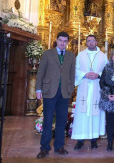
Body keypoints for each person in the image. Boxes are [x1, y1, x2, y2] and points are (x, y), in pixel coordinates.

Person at [35, 31, 76, 159]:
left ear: (67, 43)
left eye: (65, 41)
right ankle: (44, 148)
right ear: (57, 41)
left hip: (64, 93)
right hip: (49, 91)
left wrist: (70, 89)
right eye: (60, 40)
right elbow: (40, 72)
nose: (62, 43)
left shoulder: (71, 55)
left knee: (62, 121)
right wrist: (38, 89)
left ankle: (59, 147)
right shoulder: (47, 54)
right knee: (47, 121)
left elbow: (72, 74)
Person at [71, 35, 108, 150]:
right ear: (86, 43)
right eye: (88, 41)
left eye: (93, 41)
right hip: (84, 87)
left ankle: (93, 140)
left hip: (97, 87)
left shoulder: (103, 56)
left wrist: (98, 74)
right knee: (82, 113)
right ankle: (80, 140)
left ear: (96, 42)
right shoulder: (81, 55)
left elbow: (107, 70)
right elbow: (75, 69)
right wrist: (84, 74)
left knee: (95, 112)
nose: (91, 43)